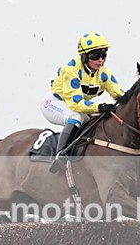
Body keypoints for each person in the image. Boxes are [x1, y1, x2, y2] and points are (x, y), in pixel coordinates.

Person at [41, 31, 124, 173]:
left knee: (94, 124)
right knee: (76, 117)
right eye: (95, 56)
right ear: (84, 56)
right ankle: (61, 155)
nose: (100, 60)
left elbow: (119, 94)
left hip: (75, 106)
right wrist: (100, 106)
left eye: (103, 55)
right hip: (54, 103)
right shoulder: (71, 70)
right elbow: (76, 104)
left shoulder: (103, 73)